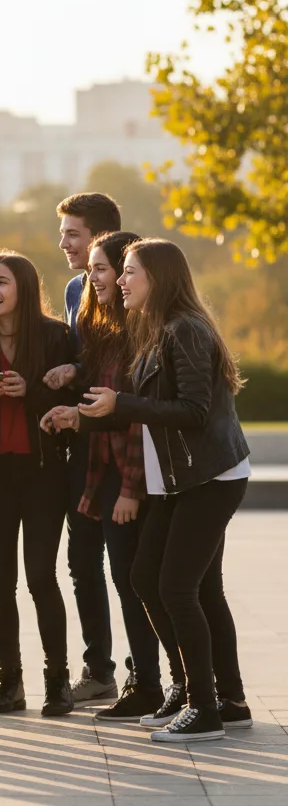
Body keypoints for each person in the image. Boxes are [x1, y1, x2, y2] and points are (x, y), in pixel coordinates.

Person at [48, 238, 252, 742]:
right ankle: (216, 698)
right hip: (180, 480)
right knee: (152, 579)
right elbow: (138, 408)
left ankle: (205, 708)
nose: (120, 280)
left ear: (158, 278)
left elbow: (194, 411)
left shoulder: (185, 331)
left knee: (177, 588)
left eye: (130, 272)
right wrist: (84, 416)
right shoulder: (156, 328)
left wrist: (121, 405)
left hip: (209, 477)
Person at [45, 230, 165, 722]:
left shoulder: (141, 330)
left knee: (135, 581)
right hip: (105, 469)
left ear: (123, 271)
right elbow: (104, 403)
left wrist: (131, 489)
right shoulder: (102, 326)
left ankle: (151, 684)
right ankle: (148, 682)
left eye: (100, 268)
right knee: (126, 578)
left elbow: (138, 415)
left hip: (131, 474)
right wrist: (73, 399)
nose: (90, 277)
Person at [0, 250, 76, 716]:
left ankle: (58, 681)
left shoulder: (56, 337)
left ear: (24, 289)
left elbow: (72, 399)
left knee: (40, 577)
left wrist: (29, 392)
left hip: (43, 474)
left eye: (2, 282)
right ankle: (9, 681)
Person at [51, 191, 127, 706]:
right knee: (82, 558)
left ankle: (152, 672)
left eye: (72, 234)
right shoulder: (76, 288)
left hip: (125, 439)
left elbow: (125, 362)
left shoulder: (137, 284)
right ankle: (98, 669)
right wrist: (73, 371)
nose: (63, 244)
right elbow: (92, 354)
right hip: (84, 441)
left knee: (131, 565)